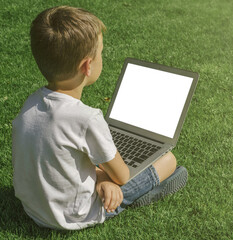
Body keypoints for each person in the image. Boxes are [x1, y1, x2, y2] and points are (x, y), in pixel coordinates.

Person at [11, 5, 187, 230]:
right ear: (87, 65)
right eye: (100, 52)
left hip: (35, 210)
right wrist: (105, 180)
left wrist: (101, 175)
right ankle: (131, 199)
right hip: (75, 215)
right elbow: (122, 176)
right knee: (169, 160)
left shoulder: (30, 105)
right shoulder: (87, 119)